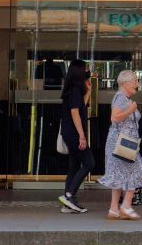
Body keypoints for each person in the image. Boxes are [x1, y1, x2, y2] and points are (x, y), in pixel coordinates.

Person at [99, 70, 142, 220]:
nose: (137, 84)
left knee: (119, 175)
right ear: (125, 83)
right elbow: (114, 118)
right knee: (137, 171)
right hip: (123, 143)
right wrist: (131, 110)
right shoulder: (121, 98)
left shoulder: (121, 97)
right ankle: (126, 206)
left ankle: (114, 209)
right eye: (134, 81)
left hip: (119, 142)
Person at [57, 59, 93, 214]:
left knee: (74, 166)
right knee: (89, 163)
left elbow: (80, 107)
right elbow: (75, 112)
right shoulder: (74, 90)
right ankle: (69, 195)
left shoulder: (73, 89)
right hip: (74, 133)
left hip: (69, 133)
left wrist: (89, 91)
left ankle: (68, 203)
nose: (87, 72)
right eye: (85, 69)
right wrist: (82, 136)